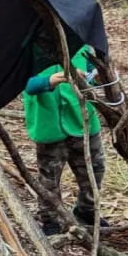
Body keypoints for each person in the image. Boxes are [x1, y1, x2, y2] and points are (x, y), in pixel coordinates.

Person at [23, 42, 109, 236]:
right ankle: (50, 218)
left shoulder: (82, 48)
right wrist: (52, 80)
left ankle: (86, 209)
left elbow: (94, 76)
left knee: (95, 170)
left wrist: (94, 75)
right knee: (49, 178)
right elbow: (27, 85)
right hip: (50, 125)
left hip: (83, 122)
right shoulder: (31, 49)